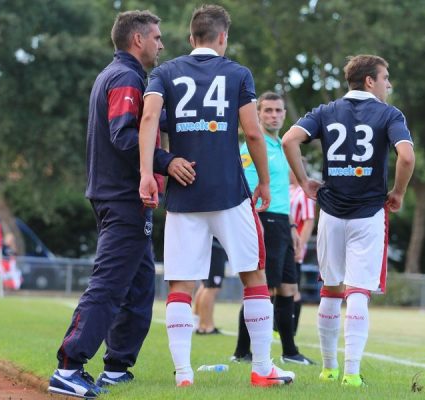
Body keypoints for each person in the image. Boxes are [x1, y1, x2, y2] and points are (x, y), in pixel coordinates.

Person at [139, 4, 294, 388]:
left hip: (184, 195)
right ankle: (262, 369)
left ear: (191, 38)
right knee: (254, 275)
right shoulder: (237, 73)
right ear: (223, 37)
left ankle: (184, 375)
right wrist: (265, 183)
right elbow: (254, 133)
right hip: (229, 192)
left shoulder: (164, 72)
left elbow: (147, 121)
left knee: (180, 284)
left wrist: (149, 172)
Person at [48, 11, 195, 399]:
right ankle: (68, 367)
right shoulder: (127, 78)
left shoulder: (115, 74)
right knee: (110, 285)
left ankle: (115, 369)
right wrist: (167, 162)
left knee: (139, 285)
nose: (162, 44)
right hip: (122, 197)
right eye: (157, 37)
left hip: (117, 195)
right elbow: (124, 135)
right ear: (138, 40)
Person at [283, 54, 415, 387]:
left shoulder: (326, 111)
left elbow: (289, 139)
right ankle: (351, 373)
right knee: (357, 291)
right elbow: (407, 155)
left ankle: (328, 368)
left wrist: (302, 182)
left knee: (330, 289)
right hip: (368, 213)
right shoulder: (389, 114)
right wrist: (398, 191)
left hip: (330, 211)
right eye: (385, 78)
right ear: (370, 80)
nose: (388, 84)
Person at [234, 92, 314, 366]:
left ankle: (290, 352)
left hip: (282, 223)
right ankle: (242, 352)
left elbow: (284, 190)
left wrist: (292, 224)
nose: (274, 115)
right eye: (267, 110)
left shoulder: (281, 145)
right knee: (262, 290)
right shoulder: (252, 148)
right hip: (264, 222)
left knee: (288, 289)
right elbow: (247, 191)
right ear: (257, 114)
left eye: (278, 110)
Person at [289, 167, 316, 334]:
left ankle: (292, 330)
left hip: (294, 246)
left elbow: (308, 221)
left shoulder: (303, 193)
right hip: (282, 243)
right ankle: (278, 326)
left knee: (292, 288)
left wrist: (301, 245)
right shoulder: (287, 190)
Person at [193, 238, 227, 335]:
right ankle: (206, 326)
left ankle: (198, 322)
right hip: (214, 247)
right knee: (211, 287)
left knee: (205, 285)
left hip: (208, 246)